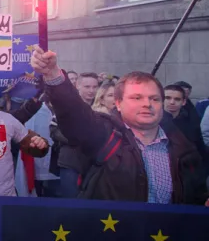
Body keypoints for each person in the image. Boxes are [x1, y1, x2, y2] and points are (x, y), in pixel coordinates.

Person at [31, 47, 208, 205]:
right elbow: (75, 116)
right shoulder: (105, 134)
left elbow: (196, 194)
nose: (147, 103)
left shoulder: (183, 145)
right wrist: (53, 75)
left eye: (154, 99)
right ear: (118, 103)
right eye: (136, 98)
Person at [51, 72, 99, 198]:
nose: (91, 90)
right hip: (71, 163)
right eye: (87, 87)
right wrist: (77, 138)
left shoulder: (102, 107)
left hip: (95, 165)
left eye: (95, 87)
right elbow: (54, 129)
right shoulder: (66, 105)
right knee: (72, 204)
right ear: (77, 86)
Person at [163, 84, 208, 165]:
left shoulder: (191, 123)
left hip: (187, 171)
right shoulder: (151, 123)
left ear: (183, 102)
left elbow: (200, 148)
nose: (172, 102)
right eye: (168, 98)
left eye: (177, 99)